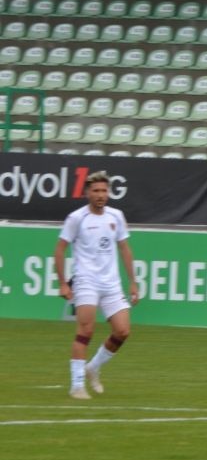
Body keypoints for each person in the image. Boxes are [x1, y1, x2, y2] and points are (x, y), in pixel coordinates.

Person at [54, 171, 138, 400]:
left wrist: (133, 282)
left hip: (111, 283)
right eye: (96, 191)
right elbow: (60, 249)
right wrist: (62, 283)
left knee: (123, 331)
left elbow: (125, 249)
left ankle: (93, 367)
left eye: (104, 191)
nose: (100, 195)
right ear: (87, 193)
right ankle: (77, 385)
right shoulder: (76, 218)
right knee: (85, 332)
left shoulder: (116, 216)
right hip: (86, 282)